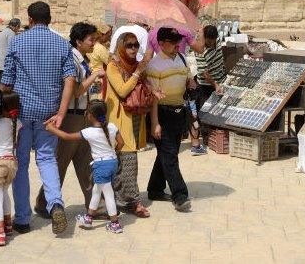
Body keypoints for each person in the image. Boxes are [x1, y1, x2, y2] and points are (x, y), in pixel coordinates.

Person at [0, 1, 76, 234]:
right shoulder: (62, 44)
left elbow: (6, 83)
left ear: (30, 20)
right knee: (47, 159)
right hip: (50, 114)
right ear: (50, 19)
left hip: (22, 114)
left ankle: (23, 218)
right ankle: (55, 204)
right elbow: (70, 80)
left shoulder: (17, 41)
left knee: (21, 164)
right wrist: (61, 113)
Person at [33, 22, 105, 219]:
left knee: (86, 161)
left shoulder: (82, 59)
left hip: (82, 115)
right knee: (60, 162)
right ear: (79, 41)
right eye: (91, 40)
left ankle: (95, 203)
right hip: (72, 117)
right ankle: (45, 203)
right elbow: (75, 91)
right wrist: (95, 76)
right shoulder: (71, 59)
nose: (94, 44)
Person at [46, 99, 125, 234]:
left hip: (101, 165)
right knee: (96, 191)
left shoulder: (89, 132)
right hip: (112, 162)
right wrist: (113, 153)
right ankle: (88, 218)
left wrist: (51, 129)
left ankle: (115, 224)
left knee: (108, 194)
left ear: (90, 115)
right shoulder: (112, 127)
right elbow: (121, 143)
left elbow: (67, 136)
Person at [104, 26, 152, 218]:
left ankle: (121, 198)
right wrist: (137, 72)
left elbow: (142, 87)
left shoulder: (137, 66)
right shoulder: (113, 66)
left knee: (123, 161)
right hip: (118, 119)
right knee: (128, 160)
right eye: (129, 45)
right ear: (121, 47)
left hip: (135, 117)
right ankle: (133, 201)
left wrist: (151, 90)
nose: (133, 49)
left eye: (136, 45)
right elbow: (122, 91)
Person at [146, 26, 194, 212]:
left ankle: (155, 189)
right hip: (163, 114)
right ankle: (180, 195)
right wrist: (155, 123)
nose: (177, 45)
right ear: (161, 43)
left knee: (167, 153)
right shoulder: (154, 66)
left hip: (179, 112)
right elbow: (153, 98)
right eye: (173, 42)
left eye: (178, 41)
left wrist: (190, 82)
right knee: (170, 156)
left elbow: (189, 78)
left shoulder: (182, 59)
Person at [0, 93, 21, 247]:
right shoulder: (17, 123)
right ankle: (8, 225)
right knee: (5, 192)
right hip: (12, 163)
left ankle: (0, 233)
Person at [192, 25, 226, 154]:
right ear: (204, 39)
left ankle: (214, 134)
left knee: (219, 110)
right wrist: (215, 84)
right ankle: (206, 138)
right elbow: (204, 75)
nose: (211, 45)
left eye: (213, 42)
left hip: (221, 79)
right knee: (205, 112)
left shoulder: (216, 40)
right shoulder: (200, 51)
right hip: (206, 85)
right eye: (209, 42)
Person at [0, 18, 21, 84]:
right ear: (17, 26)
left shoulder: (2, 32)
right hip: (4, 64)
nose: (18, 30)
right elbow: (12, 49)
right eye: (19, 27)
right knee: (2, 87)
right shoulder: (11, 33)